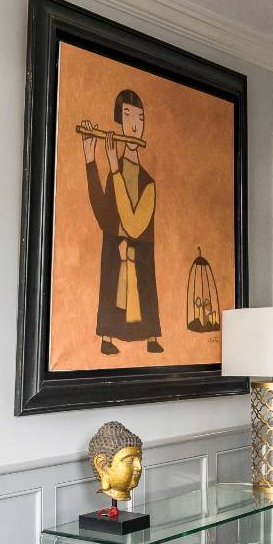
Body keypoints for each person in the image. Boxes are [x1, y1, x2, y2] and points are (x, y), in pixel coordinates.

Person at [81, 89, 161, 355]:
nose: (135, 125)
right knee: (112, 280)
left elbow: (135, 225)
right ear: (120, 122)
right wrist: (90, 159)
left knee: (144, 287)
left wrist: (115, 168)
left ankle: (150, 336)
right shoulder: (113, 172)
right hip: (115, 243)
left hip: (140, 245)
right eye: (128, 117)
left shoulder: (148, 182)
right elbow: (104, 216)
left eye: (140, 118)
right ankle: (108, 334)